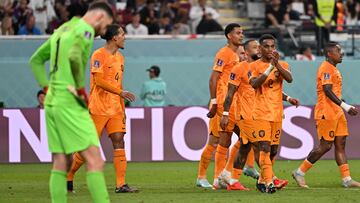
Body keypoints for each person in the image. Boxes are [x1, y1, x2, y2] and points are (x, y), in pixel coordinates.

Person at [29, 2, 114, 202]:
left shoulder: (61, 30)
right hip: (69, 101)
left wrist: (47, 87)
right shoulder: (85, 30)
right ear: (100, 16)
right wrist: (80, 88)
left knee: (60, 161)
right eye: (105, 25)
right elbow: (75, 56)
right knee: (95, 160)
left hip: (52, 102)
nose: (103, 31)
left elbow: (35, 60)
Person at [218, 39, 300, 191]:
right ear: (249, 51)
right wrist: (225, 113)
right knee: (261, 147)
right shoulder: (244, 68)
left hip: (274, 114)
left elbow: (281, 83)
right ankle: (267, 180)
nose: (266, 49)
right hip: (250, 115)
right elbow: (233, 92)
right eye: (256, 47)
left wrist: (288, 98)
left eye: (272, 46)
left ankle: (231, 178)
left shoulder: (279, 65)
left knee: (253, 147)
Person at [67, 24, 138, 193]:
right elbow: (99, 82)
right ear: (114, 37)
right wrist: (121, 92)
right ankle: (68, 176)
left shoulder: (120, 58)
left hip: (115, 109)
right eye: (122, 34)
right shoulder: (98, 55)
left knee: (119, 141)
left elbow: (118, 84)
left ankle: (121, 184)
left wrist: (122, 109)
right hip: (98, 108)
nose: (124, 37)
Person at [292, 42, 360, 188]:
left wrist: (342, 104)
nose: (341, 53)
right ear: (329, 54)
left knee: (340, 144)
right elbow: (327, 90)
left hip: (337, 111)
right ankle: (299, 172)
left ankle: (346, 179)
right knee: (325, 146)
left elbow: (333, 92)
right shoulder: (326, 68)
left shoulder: (334, 69)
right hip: (326, 112)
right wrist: (345, 106)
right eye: (338, 50)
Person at [196, 23, 243, 189]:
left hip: (231, 103)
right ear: (229, 36)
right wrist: (214, 102)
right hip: (222, 102)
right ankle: (204, 177)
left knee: (233, 139)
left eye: (242, 33)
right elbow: (213, 78)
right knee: (216, 141)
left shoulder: (235, 54)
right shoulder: (224, 53)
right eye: (238, 33)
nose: (241, 35)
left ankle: (224, 177)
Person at [249, 34, 293, 193]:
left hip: (276, 114)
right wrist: (269, 68)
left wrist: (277, 65)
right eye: (266, 46)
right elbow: (254, 84)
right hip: (260, 113)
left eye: (272, 46)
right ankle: (269, 183)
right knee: (265, 148)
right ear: (260, 49)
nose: (270, 49)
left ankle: (262, 180)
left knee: (273, 151)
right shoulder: (253, 66)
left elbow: (289, 79)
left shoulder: (283, 64)